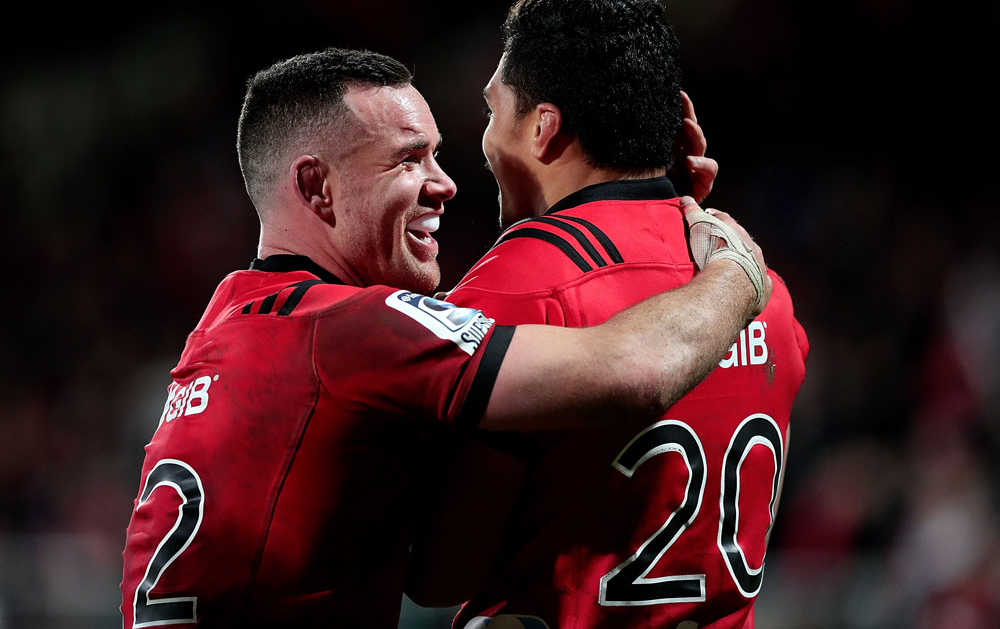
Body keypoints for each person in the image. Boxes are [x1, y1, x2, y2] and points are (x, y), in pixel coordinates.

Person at [119, 46, 770, 629]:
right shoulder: (359, 331)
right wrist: (735, 272)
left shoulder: (228, 320)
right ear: (317, 186)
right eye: (407, 160)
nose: (447, 183)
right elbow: (638, 370)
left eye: (437, 153)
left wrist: (627, 204)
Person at [406, 0, 809, 629]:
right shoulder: (765, 292)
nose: (482, 140)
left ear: (542, 128)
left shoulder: (512, 288)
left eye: (491, 112)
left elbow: (440, 571)